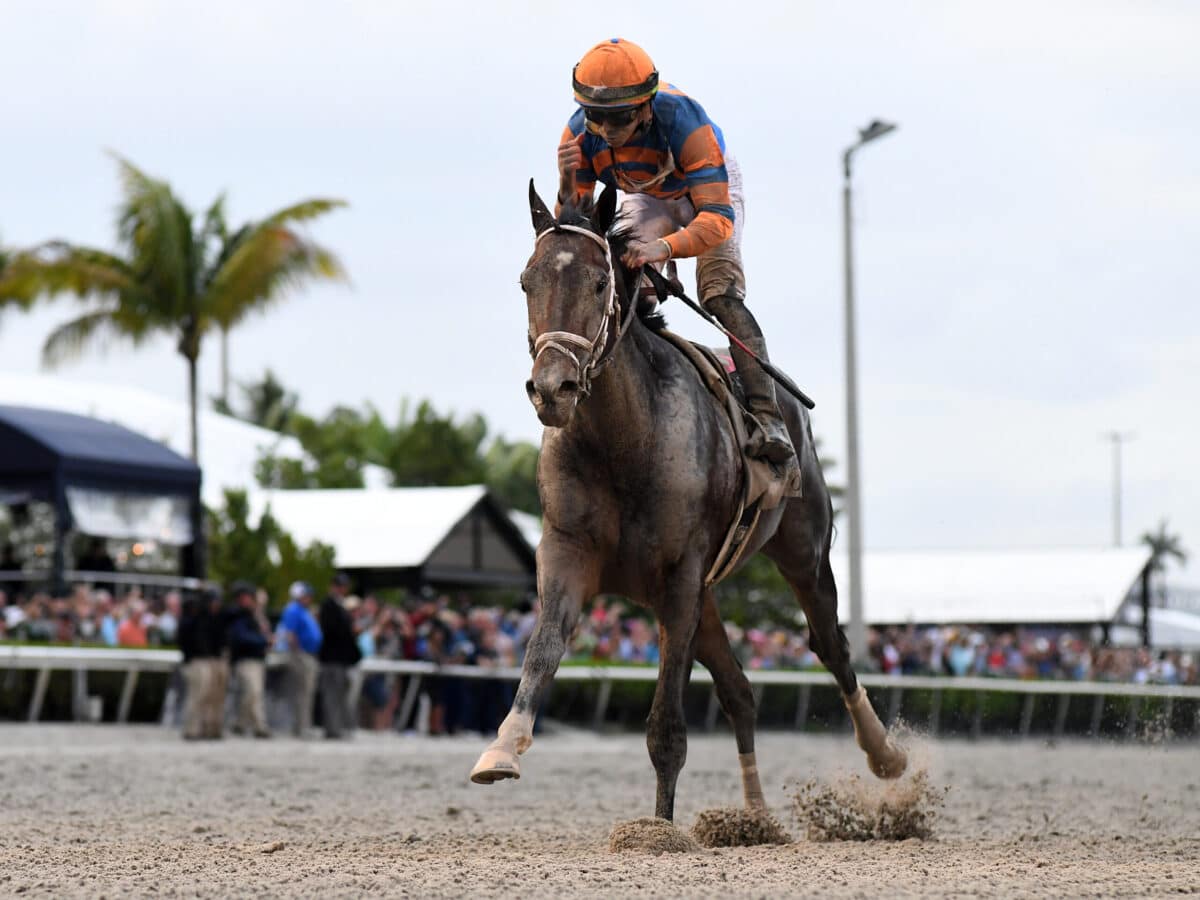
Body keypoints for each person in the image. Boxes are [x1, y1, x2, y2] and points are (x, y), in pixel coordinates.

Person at [557, 37, 795, 468]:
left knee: (719, 295)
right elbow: (572, 230)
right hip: (647, 195)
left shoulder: (687, 124)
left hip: (706, 195)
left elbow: (716, 220)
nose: (606, 132)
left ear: (646, 106)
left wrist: (664, 248)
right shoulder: (580, 134)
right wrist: (564, 181)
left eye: (618, 119)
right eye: (596, 118)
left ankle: (768, 416)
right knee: (635, 290)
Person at [317, 573, 362, 739]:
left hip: (342, 659)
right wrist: (350, 630)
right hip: (332, 658)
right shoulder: (328, 605)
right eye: (340, 586)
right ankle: (332, 729)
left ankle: (339, 727)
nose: (342, 589)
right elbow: (331, 630)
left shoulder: (341, 606)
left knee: (340, 694)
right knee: (331, 695)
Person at [226, 580, 271, 738]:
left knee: (252, 694)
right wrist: (264, 641)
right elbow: (242, 637)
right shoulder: (238, 615)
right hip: (244, 660)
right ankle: (259, 726)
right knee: (254, 692)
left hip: (257, 659)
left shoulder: (255, 615)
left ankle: (242, 723)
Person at [277, 580, 322, 737]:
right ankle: (300, 727)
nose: (309, 598)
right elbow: (290, 634)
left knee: (307, 692)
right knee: (301, 692)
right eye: (307, 595)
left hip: (309, 655)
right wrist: (298, 652)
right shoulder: (293, 610)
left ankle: (304, 725)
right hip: (301, 655)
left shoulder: (304, 611)